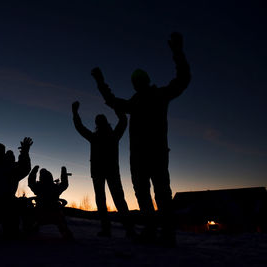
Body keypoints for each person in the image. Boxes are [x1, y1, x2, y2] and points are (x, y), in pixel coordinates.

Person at [91, 32, 191, 245]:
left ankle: (164, 232)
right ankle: (155, 230)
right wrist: (100, 82)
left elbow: (182, 80)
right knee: (146, 193)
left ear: (142, 82)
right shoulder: (138, 102)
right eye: (136, 82)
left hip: (152, 154)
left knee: (158, 193)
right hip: (142, 157)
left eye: (138, 81)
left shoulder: (154, 97)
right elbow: (112, 101)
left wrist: (178, 53)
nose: (137, 84)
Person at [72, 101, 133, 237]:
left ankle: (117, 229)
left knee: (108, 200)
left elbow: (80, 127)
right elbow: (123, 121)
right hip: (106, 172)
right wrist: (117, 108)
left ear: (98, 124)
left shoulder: (99, 137)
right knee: (115, 200)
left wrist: (75, 113)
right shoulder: (112, 136)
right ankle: (126, 229)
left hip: (102, 172)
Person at [28, 165, 73, 239]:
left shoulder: (38, 187)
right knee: (60, 219)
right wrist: (64, 173)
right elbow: (64, 184)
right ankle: (66, 233)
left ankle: (30, 230)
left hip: (39, 214)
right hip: (55, 214)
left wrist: (34, 171)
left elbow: (31, 182)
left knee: (29, 214)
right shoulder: (56, 188)